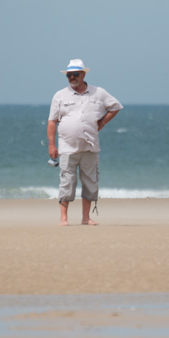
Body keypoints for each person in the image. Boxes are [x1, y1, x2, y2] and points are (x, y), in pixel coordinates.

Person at [47, 59, 123, 225]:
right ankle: (63, 218)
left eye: (75, 74)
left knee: (90, 181)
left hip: (90, 146)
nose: (72, 77)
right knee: (66, 181)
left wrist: (101, 123)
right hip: (67, 147)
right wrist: (52, 145)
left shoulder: (98, 92)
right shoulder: (60, 95)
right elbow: (52, 122)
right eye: (69, 75)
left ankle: (86, 218)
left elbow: (115, 106)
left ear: (83, 74)